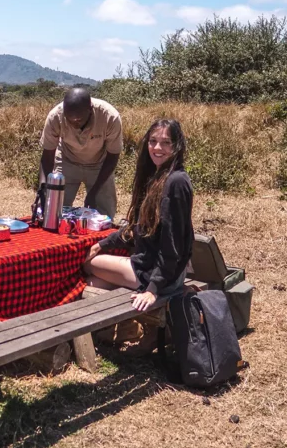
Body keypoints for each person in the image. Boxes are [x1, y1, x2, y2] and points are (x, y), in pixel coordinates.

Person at [82, 118, 194, 314]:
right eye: (153, 141)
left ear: (177, 146)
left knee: (88, 262)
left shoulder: (175, 182)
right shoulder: (156, 177)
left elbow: (172, 242)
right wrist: (103, 243)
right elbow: (137, 226)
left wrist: (153, 289)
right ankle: (126, 326)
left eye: (166, 142)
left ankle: (133, 319)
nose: (157, 147)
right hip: (154, 267)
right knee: (92, 283)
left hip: (160, 274)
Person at [39, 88, 122, 217]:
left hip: (99, 165)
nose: (73, 123)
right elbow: (47, 155)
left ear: (90, 109)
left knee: (103, 216)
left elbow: (113, 156)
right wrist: (44, 188)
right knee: (53, 211)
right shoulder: (55, 116)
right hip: (67, 161)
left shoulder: (109, 116)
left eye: (78, 120)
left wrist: (94, 192)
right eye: (69, 118)